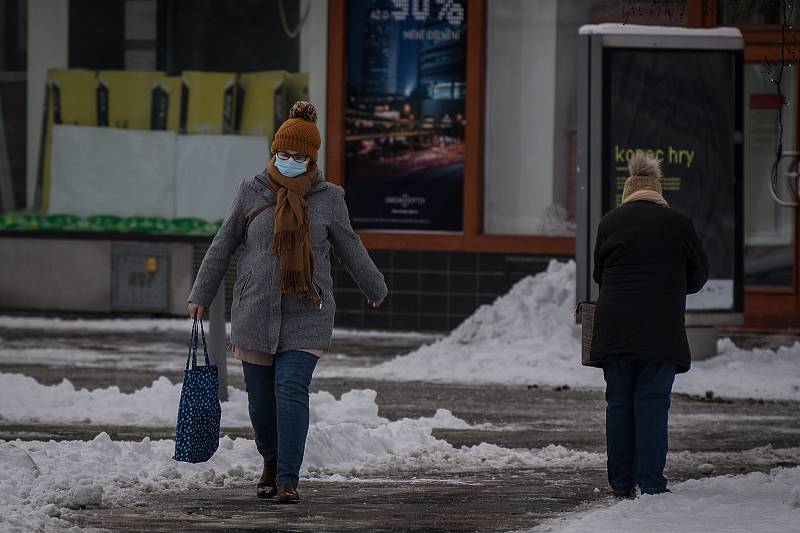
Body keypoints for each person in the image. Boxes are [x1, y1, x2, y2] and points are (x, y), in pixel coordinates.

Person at [187, 101, 388, 504]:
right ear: (274, 151)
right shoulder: (251, 190)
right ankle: (270, 460)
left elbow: (349, 245)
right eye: (284, 153)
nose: (290, 161)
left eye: (299, 155)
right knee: (261, 402)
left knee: (291, 389)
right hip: (255, 310)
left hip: (306, 312)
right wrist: (201, 294)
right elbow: (223, 243)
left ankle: (288, 480)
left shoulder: (329, 198)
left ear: (311, 157)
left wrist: (374, 286)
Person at [587, 150, 709, 498]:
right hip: (660, 330)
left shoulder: (610, 222)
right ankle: (652, 483)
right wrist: (670, 284)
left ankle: (622, 484)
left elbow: (600, 274)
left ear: (628, 193)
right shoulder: (679, 224)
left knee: (620, 403)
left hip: (615, 329)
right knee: (652, 402)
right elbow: (699, 275)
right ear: (659, 193)